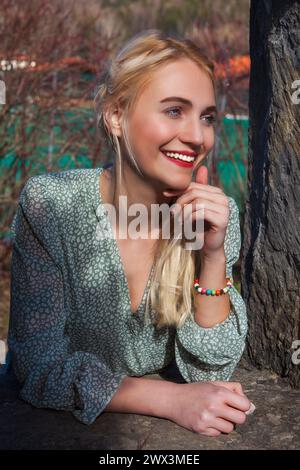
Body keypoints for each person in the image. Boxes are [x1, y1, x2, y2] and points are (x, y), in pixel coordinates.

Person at [7, 29, 252, 437]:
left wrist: (210, 255)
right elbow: (37, 365)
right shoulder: (51, 206)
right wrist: (168, 400)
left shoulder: (216, 217)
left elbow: (213, 367)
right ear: (116, 115)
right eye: (175, 111)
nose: (197, 136)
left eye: (207, 117)